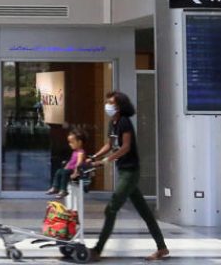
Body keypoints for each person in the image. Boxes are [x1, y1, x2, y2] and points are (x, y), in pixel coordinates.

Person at [89, 91, 169, 262]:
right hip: (124, 171)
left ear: (119, 106)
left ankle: (97, 249)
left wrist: (105, 161)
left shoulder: (125, 123)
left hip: (131, 172)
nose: (108, 106)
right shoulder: (113, 122)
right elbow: (109, 145)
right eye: (108, 102)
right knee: (146, 213)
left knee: (111, 209)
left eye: (111, 103)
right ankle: (162, 248)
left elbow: (125, 147)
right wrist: (94, 157)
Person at [47, 129, 87, 196]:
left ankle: (63, 190)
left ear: (79, 142)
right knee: (59, 171)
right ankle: (55, 187)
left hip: (73, 170)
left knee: (64, 173)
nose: (70, 144)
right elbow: (71, 161)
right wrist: (66, 167)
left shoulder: (80, 152)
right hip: (69, 169)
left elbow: (79, 163)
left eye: (72, 142)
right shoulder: (75, 152)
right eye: (69, 142)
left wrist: (76, 172)